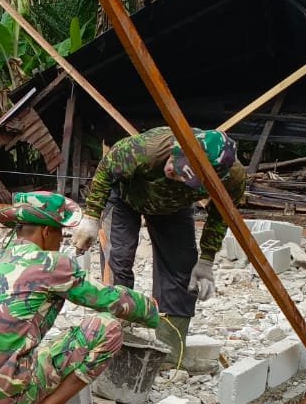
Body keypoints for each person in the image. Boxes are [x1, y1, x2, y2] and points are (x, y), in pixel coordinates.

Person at [0, 191, 160, 404]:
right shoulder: (49, 263)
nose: (60, 240)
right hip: (7, 397)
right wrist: (151, 310)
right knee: (106, 328)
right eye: (59, 233)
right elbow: (107, 298)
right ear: (46, 232)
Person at [72, 127, 246, 364]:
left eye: (180, 175)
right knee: (118, 261)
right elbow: (106, 169)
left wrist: (206, 259)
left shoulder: (232, 178)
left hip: (172, 207)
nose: (171, 168)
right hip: (125, 196)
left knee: (182, 269)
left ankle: (169, 352)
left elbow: (221, 215)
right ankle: (112, 343)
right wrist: (91, 217)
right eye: (175, 160)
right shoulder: (147, 149)